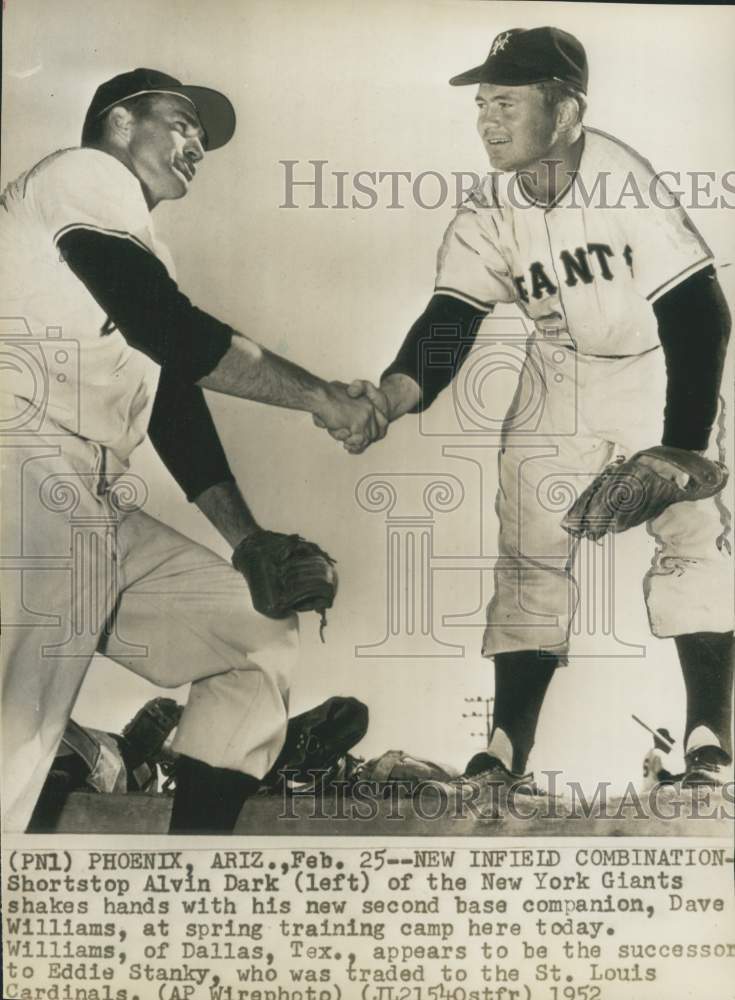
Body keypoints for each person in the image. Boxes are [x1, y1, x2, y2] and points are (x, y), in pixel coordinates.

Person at [327, 27, 733, 794]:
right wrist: (387, 397)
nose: (486, 120)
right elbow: (448, 320)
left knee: (692, 539)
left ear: (567, 110)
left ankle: (709, 744)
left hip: (653, 366)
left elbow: (699, 315)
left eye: (505, 102)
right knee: (527, 556)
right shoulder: (488, 208)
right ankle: (504, 754)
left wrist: (678, 451)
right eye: (481, 103)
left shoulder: (623, 182)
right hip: (555, 373)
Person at [0, 68, 385, 834]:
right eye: (181, 122)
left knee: (254, 638)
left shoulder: (137, 248)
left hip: (87, 493)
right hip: (20, 458)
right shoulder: (83, 173)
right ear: (118, 121)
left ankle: (187, 874)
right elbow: (164, 327)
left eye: (202, 137)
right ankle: (79, 767)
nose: (197, 144)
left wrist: (247, 543)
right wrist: (321, 397)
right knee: (19, 725)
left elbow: (172, 396)